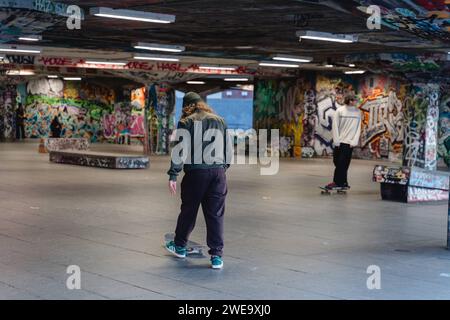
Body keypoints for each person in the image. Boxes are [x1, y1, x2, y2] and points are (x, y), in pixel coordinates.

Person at [165, 92, 230, 269]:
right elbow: (228, 148)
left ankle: (179, 246)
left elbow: (180, 150)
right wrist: (222, 169)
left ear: (188, 106)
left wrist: (173, 174)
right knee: (215, 215)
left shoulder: (186, 121)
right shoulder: (220, 120)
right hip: (218, 173)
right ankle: (216, 256)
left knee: (189, 210)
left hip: (196, 173)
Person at [326, 92, 361, 190]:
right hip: (339, 140)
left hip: (349, 142)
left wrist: (354, 141)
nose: (356, 102)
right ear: (350, 101)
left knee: (342, 162)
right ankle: (344, 182)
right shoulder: (340, 111)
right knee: (337, 161)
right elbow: (335, 126)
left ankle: (337, 182)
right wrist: (336, 140)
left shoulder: (357, 112)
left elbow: (358, 128)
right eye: (355, 100)